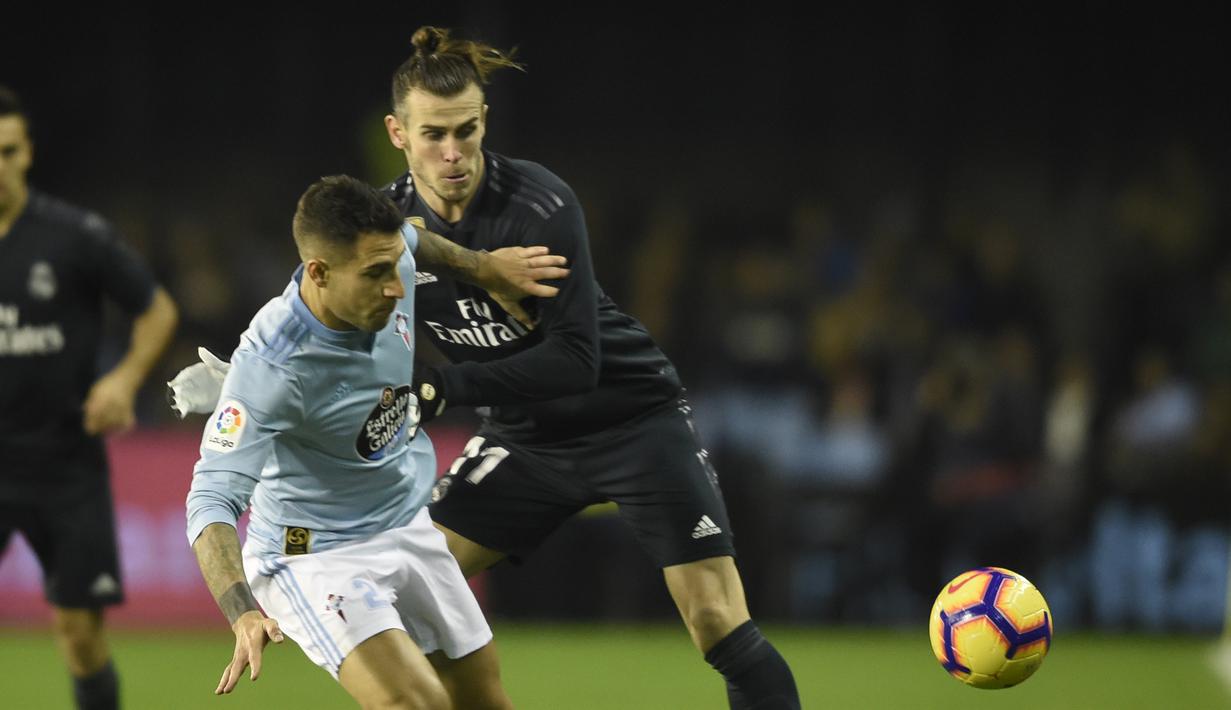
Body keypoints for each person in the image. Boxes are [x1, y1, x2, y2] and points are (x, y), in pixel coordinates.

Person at [171, 26, 801, 709]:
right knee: (402, 570)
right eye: (433, 134)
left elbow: (577, 362)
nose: (453, 154)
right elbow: (326, 297)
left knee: (715, 621)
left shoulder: (539, 205)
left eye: (466, 132)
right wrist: (248, 377)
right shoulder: (384, 229)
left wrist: (443, 385)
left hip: (630, 420)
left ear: (484, 124)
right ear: (397, 133)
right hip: (523, 439)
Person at [184, 174, 567, 708]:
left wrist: (485, 270)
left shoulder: (392, 258)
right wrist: (241, 609)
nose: (396, 286)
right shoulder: (272, 366)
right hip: (314, 553)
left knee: (484, 700)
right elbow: (210, 500)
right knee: (417, 703)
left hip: (404, 520)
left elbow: (413, 239)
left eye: (393, 266)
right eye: (375, 274)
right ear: (318, 272)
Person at [0, 85, 179, 710]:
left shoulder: (73, 236)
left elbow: (157, 309)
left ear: (27, 153)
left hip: (65, 467)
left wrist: (123, 379)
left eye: (8, 150)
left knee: (79, 635)